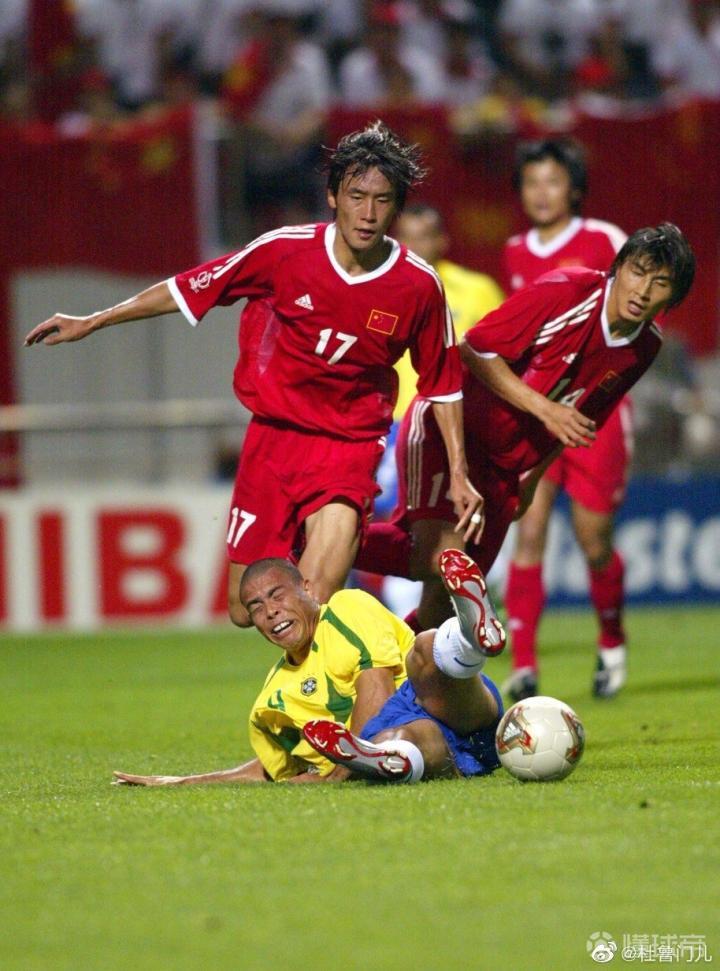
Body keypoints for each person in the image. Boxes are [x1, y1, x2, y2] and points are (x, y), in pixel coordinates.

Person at [24, 120, 482, 628]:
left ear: (396, 207)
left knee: (310, 599)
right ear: (333, 197)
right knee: (246, 609)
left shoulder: (418, 285)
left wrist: (459, 474)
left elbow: (444, 386)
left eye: (382, 200)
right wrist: (94, 320)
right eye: (357, 197)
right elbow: (189, 288)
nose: (368, 214)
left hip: (347, 444)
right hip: (274, 438)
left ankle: (361, 651)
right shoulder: (284, 251)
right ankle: (408, 554)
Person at [354, 224, 696, 698]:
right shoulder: (567, 290)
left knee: (447, 604)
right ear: (617, 269)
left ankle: (392, 694)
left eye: (660, 284)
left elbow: (580, 417)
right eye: (637, 273)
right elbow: (475, 349)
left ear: (673, 298)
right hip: (448, 429)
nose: (642, 291)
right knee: (431, 557)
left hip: (507, 465)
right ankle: (321, 538)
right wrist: (545, 409)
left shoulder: (645, 346)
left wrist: (531, 478)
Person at [112, 549, 507, 786]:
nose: (270, 612)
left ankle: (471, 636)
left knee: (424, 653)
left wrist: (340, 772)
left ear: (308, 589)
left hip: (452, 704)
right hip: (432, 747)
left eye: (277, 595)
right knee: (398, 740)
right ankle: (388, 760)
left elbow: (378, 689)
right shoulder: (274, 697)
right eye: (256, 607)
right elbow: (270, 770)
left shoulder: (347, 608)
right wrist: (184, 782)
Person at [502, 139, 630, 701]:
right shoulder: (514, 252)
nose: (541, 192)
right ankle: (523, 665)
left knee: (593, 541)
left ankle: (611, 640)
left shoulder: (605, 240)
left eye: (552, 181)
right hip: (538, 412)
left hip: (598, 414)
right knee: (527, 530)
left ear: (574, 189)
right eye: (532, 182)